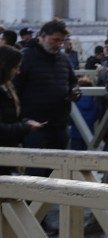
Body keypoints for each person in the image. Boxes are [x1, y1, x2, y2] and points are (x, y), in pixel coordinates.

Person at [14, 19, 80, 176]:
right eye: (55, 40)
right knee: (35, 173)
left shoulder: (63, 58)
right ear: (42, 36)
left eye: (62, 41)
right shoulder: (25, 57)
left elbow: (72, 83)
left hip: (60, 125)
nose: (59, 44)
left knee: (57, 174)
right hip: (34, 126)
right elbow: (15, 90)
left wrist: (75, 93)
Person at [0, 46, 45, 175]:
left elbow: (11, 118)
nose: (18, 71)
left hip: (8, 154)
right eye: (15, 67)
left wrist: (25, 122)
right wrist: (25, 127)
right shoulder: (6, 88)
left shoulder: (8, 86)